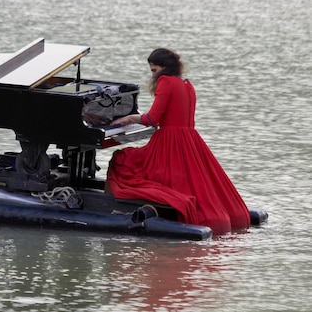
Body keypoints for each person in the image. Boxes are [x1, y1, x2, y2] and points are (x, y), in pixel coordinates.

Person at [106, 48, 250, 234]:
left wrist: (129, 119)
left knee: (121, 158)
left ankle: (110, 210)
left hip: (169, 143)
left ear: (164, 68)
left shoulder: (165, 82)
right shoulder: (186, 84)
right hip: (190, 141)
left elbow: (152, 120)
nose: (153, 75)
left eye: (154, 70)